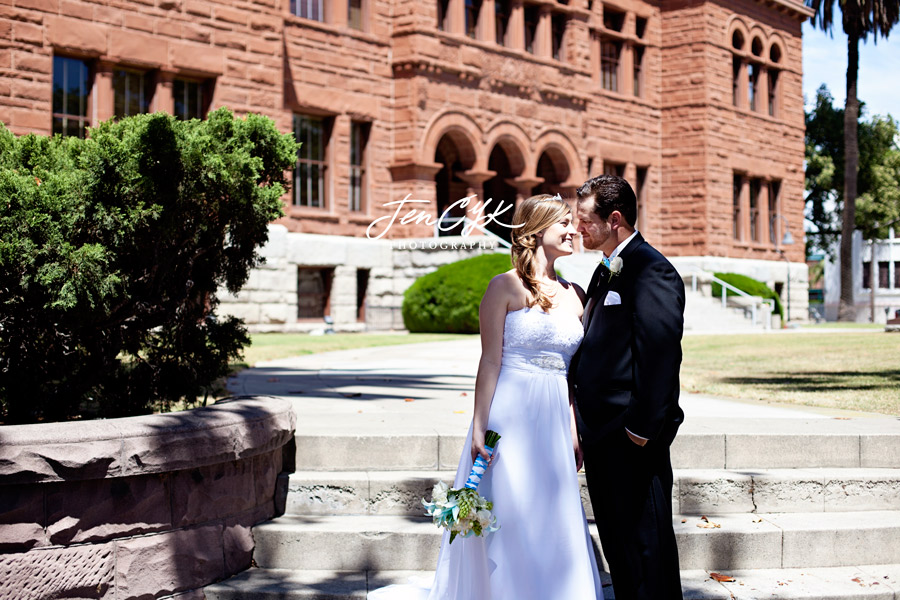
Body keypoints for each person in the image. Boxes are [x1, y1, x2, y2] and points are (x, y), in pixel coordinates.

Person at [368, 194, 603, 600]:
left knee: (551, 512)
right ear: (536, 230)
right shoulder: (504, 287)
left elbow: (572, 374)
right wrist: (480, 424)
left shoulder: (577, 294)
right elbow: (490, 361)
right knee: (510, 509)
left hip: (553, 417)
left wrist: (573, 428)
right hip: (511, 413)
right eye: (563, 223)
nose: (574, 230)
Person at [571, 174, 685, 600]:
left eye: (585, 220)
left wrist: (639, 429)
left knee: (647, 550)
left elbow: (660, 355)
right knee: (620, 551)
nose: (577, 227)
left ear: (614, 218)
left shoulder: (652, 270)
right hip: (602, 438)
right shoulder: (605, 270)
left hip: (632, 440)